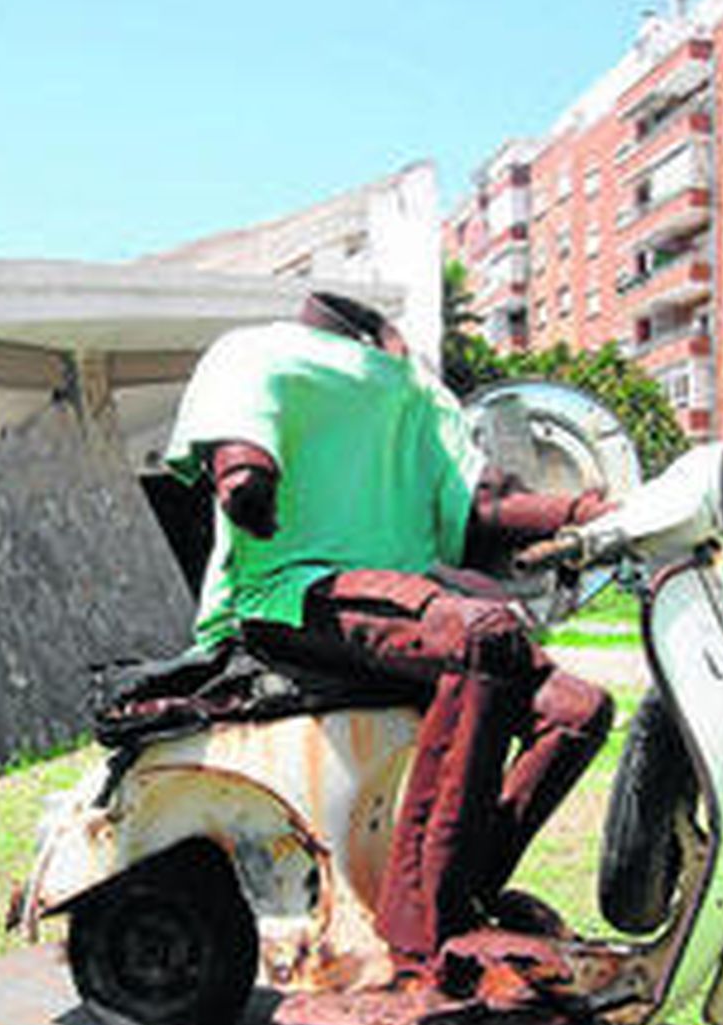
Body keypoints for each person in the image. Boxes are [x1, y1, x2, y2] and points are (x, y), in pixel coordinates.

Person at [164, 292, 613, 978]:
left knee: (578, 711)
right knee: (480, 636)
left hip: (390, 600)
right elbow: (243, 431)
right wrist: (244, 472)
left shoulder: (416, 390)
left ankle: (466, 894)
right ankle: (419, 933)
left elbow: (479, 502)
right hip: (288, 591)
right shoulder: (262, 351)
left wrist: (594, 512)